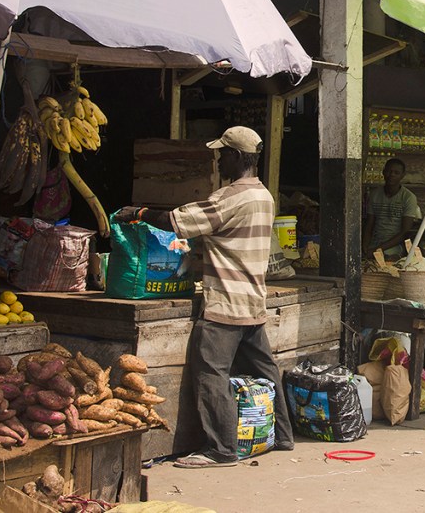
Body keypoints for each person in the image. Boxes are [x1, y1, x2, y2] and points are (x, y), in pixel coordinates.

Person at [115, 126, 294, 467]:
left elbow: (176, 221)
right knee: (266, 371)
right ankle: (282, 436)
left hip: (225, 304)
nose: (219, 159)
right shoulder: (264, 196)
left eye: (223, 154)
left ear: (238, 157)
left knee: (211, 373)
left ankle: (221, 449)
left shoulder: (230, 198)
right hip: (253, 302)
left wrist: (139, 213)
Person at [363, 158, 421, 259]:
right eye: (389, 171)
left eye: (396, 172)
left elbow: (405, 232)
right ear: (383, 172)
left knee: (387, 257)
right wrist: (365, 245)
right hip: (375, 242)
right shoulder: (374, 194)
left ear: (402, 175)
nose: (392, 175)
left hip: (394, 246)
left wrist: (378, 249)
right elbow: (369, 225)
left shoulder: (408, 197)